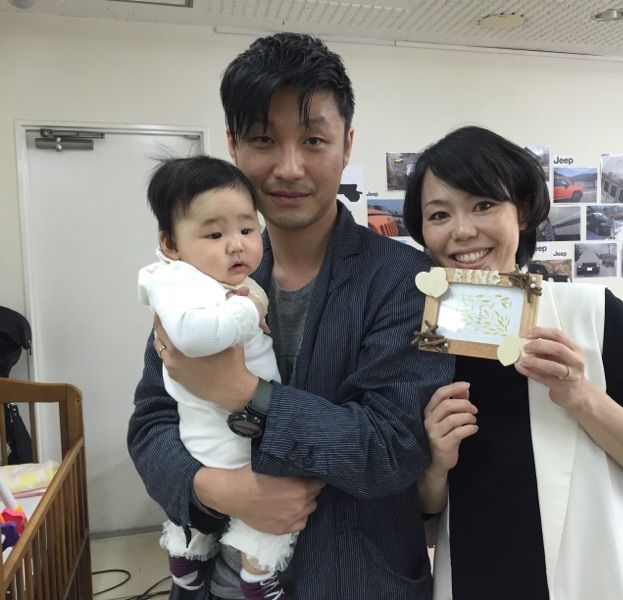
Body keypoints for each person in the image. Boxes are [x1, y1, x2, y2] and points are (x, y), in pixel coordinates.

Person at [128, 33, 454, 600]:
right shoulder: (201, 273)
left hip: (356, 581)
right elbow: (153, 421)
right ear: (233, 145)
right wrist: (214, 489)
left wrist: (246, 393)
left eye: (313, 140)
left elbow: (391, 449)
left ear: (346, 144)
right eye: (263, 139)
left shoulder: (406, 280)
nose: (289, 167)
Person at [404, 126, 623, 600]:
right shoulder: (425, 339)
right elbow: (424, 507)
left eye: (483, 205)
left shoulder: (593, 314)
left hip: (594, 576)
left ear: (522, 211)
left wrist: (581, 397)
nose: (462, 231)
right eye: (439, 214)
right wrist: (435, 463)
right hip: (475, 578)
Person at [138, 156, 295, 599]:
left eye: (246, 229)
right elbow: (193, 338)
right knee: (270, 506)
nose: (236, 246)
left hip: (230, 429)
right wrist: (249, 310)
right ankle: (257, 578)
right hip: (225, 435)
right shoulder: (180, 285)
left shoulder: (217, 280)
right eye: (214, 234)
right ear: (170, 244)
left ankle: (188, 556)